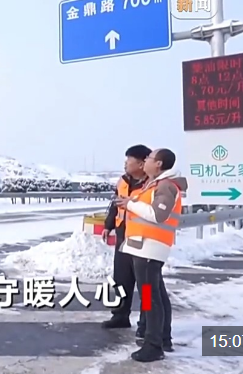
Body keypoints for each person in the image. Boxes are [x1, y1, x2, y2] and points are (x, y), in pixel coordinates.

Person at [114, 148, 187, 363]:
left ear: (159, 164)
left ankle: (153, 345)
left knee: (149, 297)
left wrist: (130, 204)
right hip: (143, 247)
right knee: (156, 295)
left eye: (149, 158)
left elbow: (158, 214)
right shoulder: (155, 184)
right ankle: (161, 338)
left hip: (149, 247)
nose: (145, 161)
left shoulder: (166, 186)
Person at [100, 145, 151, 335]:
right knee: (121, 280)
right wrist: (108, 226)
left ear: (141, 163)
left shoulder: (151, 184)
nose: (125, 164)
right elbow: (115, 205)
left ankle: (147, 322)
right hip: (123, 238)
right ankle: (120, 316)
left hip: (144, 241)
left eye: (128, 161)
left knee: (146, 286)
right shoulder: (122, 181)